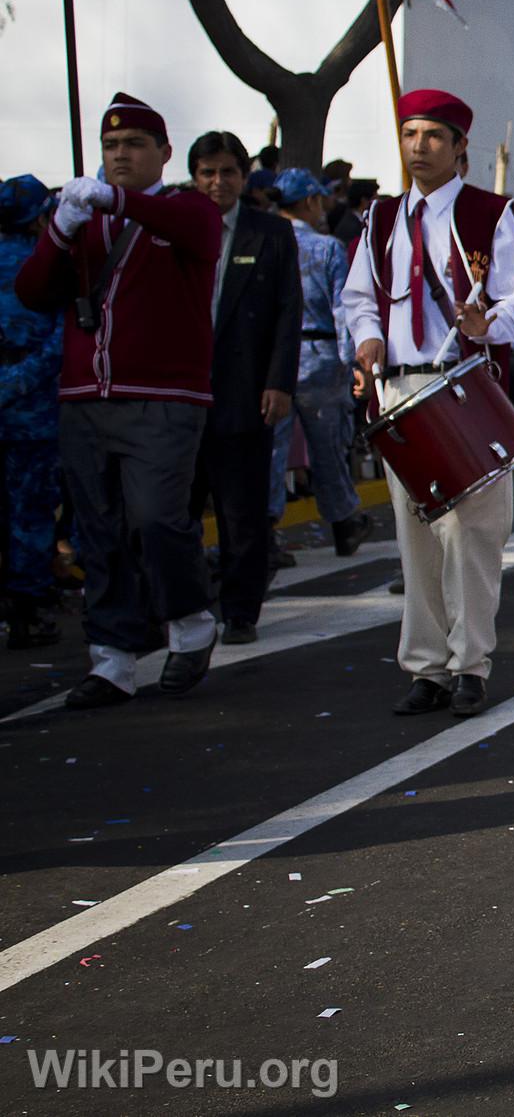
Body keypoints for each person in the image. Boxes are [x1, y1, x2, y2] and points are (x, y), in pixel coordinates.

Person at [16, 94, 222, 707]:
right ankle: (112, 657)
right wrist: (59, 230)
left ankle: (190, 622)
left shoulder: (186, 208)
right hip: (84, 397)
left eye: (134, 144)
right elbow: (33, 291)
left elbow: (198, 235)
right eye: (111, 146)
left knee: (156, 518)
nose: (120, 155)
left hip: (163, 398)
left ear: (163, 152)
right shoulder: (83, 220)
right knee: (97, 531)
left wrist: (117, 200)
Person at [340, 88, 514, 718]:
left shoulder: (488, 214)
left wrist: (487, 323)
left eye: (431, 136)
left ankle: (470, 663)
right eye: (409, 134)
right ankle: (425, 667)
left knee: (473, 533)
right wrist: (367, 336)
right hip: (399, 387)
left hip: (465, 385)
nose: (418, 147)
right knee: (416, 533)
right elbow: (358, 297)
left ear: (458, 147)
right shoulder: (380, 218)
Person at [186, 131, 301, 645]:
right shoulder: (174, 228)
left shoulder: (270, 233)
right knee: (175, 510)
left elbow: (288, 311)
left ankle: (239, 611)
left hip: (245, 389)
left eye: (228, 172)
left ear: (244, 176)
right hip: (180, 392)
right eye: (207, 172)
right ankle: (180, 604)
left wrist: (279, 382)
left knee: (242, 510)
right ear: (194, 176)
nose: (218, 182)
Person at [267, 168, 370, 559]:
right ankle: (344, 523)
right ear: (310, 201)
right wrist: (352, 361)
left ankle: (264, 531)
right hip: (320, 359)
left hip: (274, 361)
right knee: (328, 447)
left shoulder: (265, 242)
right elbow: (343, 309)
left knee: (271, 452)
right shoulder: (326, 248)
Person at [0, 175, 63, 648]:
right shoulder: (48, 265)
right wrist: (19, 381)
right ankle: (29, 611)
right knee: (31, 512)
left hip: (23, 404)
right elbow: (63, 339)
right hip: (33, 412)